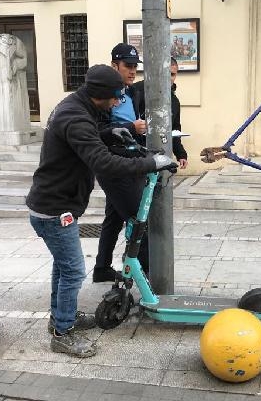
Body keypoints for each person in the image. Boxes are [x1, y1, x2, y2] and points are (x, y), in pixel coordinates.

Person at [26, 64, 175, 357]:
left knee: (63, 267)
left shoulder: (76, 106)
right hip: (55, 208)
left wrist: (110, 133)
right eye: (116, 97)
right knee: (72, 271)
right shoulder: (76, 116)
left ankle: (60, 319)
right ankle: (62, 334)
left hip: (55, 202)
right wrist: (152, 163)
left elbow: (86, 140)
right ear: (100, 95)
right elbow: (104, 163)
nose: (119, 101)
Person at [92, 43, 149, 282]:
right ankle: (148, 277)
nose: (133, 71)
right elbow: (98, 132)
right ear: (114, 65)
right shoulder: (103, 95)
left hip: (130, 157)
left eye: (135, 66)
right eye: (128, 66)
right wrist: (129, 127)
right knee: (138, 221)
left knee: (114, 218)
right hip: (114, 163)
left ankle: (102, 268)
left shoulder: (133, 92)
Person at [132, 57, 188, 169]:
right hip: (136, 156)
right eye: (166, 74)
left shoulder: (174, 101)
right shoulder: (135, 91)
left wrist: (181, 154)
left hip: (161, 154)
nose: (169, 78)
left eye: (172, 75)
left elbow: (175, 129)